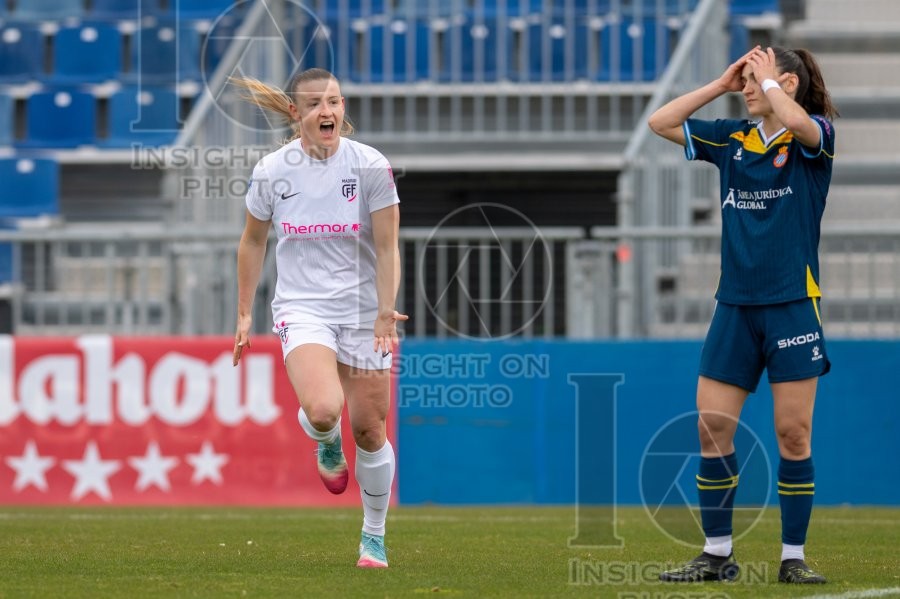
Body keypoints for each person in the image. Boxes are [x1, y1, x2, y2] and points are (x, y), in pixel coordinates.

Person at [648, 46, 838, 584]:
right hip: (734, 305)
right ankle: (715, 554)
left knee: (793, 434)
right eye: (748, 79)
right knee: (711, 427)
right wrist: (722, 83)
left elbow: (801, 125)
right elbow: (661, 121)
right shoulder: (733, 139)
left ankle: (792, 558)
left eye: (756, 78)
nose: (749, 87)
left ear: (789, 84)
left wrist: (771, 86)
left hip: (792, 306)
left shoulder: (813, 137)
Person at [231, 68, 407, 569]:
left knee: (371, 430)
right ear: (295, 113)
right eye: (313, 104)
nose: (326, 112)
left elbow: (389, 245)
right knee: (326, 409)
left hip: (362, 310)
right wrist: (244, 312)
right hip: (302, 307)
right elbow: (253, 240)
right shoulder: (272, 170)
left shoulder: (370, 165)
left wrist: (383, 312)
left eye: (333, 102)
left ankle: (373, 535)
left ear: (343, 107)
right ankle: (324, 439)